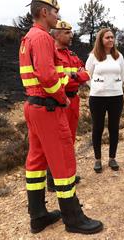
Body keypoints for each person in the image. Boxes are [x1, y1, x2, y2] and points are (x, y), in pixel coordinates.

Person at [19, 0, 102, 234]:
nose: (58, 16)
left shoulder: (27, 38)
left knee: (36, 160)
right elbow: (47, 76)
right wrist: (62, 97)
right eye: (56, 12)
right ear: (45, 12)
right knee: (64, 161)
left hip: (33, 106)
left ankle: (38, 216)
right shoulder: (43, 37)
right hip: (47, 107)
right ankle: (73, 218)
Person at [47, 20, 89, 191]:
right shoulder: (52, 54)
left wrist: (75, 76)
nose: (71, 35)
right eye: (67, 32)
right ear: (56, 34)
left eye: (71, 32)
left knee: (70, 138)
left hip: (74, 100)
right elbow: (56, 79)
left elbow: (86, 73)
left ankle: (66, 176)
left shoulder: (71, 54)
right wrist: (75, 75)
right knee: (58, 141)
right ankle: (52, 179)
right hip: (60, 101)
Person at [86, 28, 124, 173]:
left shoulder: (118, 56)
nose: (110, 40)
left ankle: (112, 158)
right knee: (98, 128)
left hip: (116, 97)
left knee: (114, 128)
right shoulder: (93, 56)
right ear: (100, 40)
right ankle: (97, 160)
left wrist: (114, 88)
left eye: (112, 37)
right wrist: (97, 88)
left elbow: (122, 75)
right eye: (107, 37)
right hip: (97, 98)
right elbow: (87, 75)